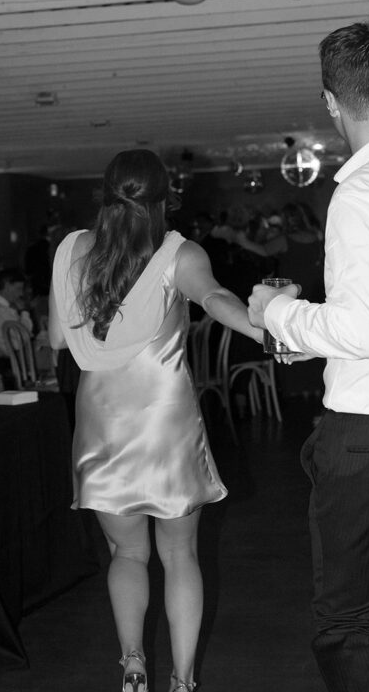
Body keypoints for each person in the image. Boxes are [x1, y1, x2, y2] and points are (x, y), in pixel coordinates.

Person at [48, 149, 262, 692]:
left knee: (126, 552)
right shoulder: (178, 253)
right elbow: (214, 297)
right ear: (166, 197)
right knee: (180, 552)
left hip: (102, 419)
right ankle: (183, 681)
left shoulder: (71, 249)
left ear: (106, 192)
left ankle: (133, 664)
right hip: (164, 419)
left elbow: (56, 339)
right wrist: (270, 331)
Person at [248, 20, 369, 692]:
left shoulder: (365, 190)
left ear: (329, 103)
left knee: (352, 625)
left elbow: (362, 333)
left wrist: (275, 312)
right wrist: (307, 334)